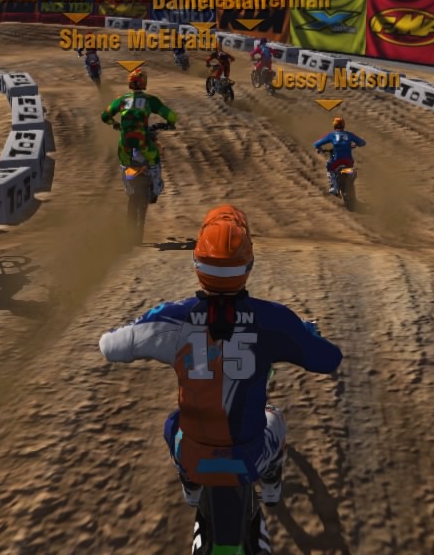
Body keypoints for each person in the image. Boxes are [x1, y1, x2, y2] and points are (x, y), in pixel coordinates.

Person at [99, 204, 342, 513]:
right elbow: (329, 360)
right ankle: (271, 484)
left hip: (194, 454)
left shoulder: (170, 317)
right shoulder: (275, 319)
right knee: (275, 418)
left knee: (172, 422)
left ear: (197, 262)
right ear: (248, 264)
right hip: (250, 454)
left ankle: (191, 485)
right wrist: (306, 335)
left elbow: (109, 346)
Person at [101, 68, 179, 198]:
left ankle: (128, 188)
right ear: (144, 82)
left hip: (125, 140)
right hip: (142, 140)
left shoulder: (121, 100)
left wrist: (115, 124)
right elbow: (172, 116)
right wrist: (170, 124)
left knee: (124, 164)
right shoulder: (150, 100)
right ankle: (156, 188)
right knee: (154, 158)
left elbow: (104, 116)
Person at [311, 116, 366, 195]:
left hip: (336, 160)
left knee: (329, 167)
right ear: (343, 125)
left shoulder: (331, 135)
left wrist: (319, 148)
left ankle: (334, 187)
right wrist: (356, 144)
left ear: (334, 125)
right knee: (352, 170)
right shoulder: (349, 134)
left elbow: (316, 144)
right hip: (348, 161)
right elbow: (362, 143)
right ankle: (350, 180)